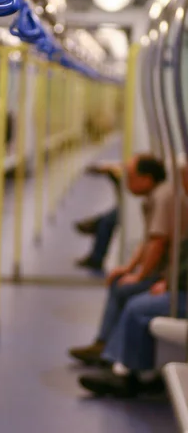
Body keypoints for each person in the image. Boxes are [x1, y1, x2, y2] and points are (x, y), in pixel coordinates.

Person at [69, 153, 168, 366]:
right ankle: (105, 345)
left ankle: (112, 354)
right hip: (163, 275)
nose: (127, 181)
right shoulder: (155, 197)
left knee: (127, 293)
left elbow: (157, 243)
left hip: (164, 276)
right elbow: (148, 241)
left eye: (131, 176)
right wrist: (129, 268)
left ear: (147, 179)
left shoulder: (162, 198)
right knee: (120, 282)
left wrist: (139, 275)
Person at [75, 162, 123, 270]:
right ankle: (96, 224)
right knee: (107, 219)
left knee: (106, 222)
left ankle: (96, 258)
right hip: (123, 208)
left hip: (130, 208)